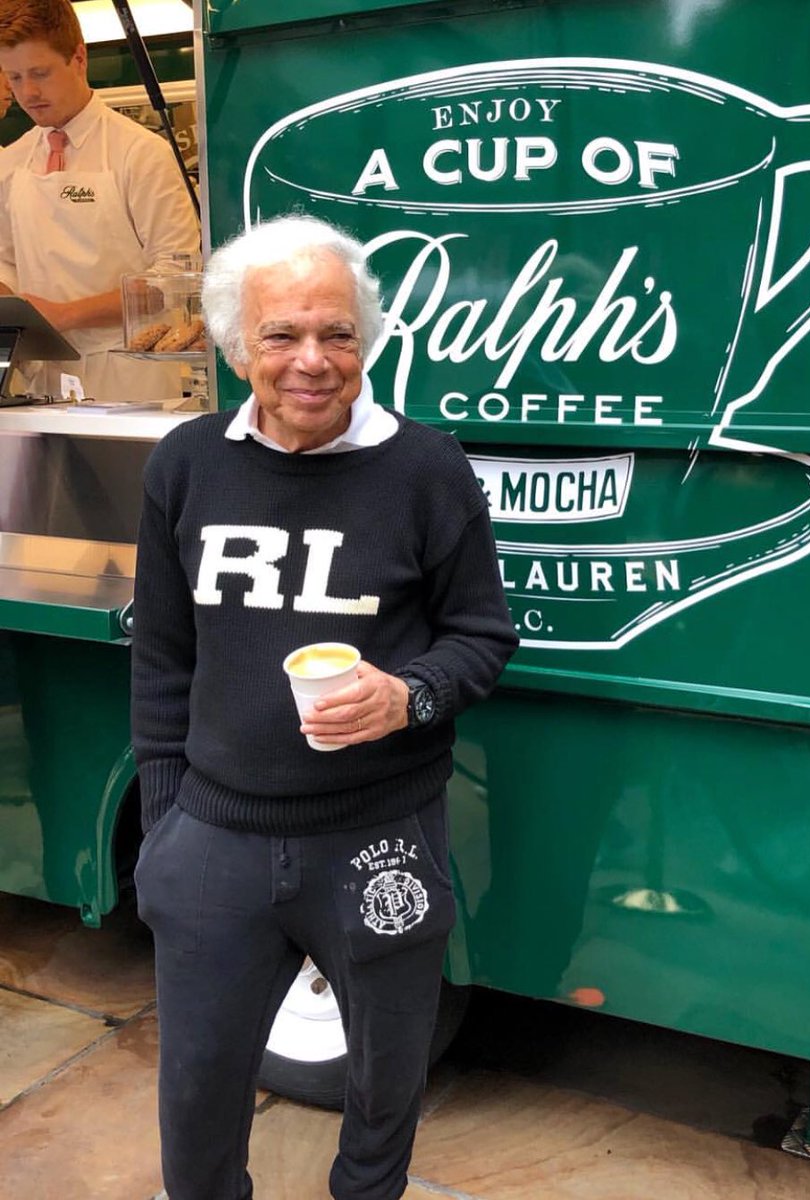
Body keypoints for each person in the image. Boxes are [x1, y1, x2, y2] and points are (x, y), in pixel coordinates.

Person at [130, 213, 519, 1200]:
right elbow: (164, 658)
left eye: (336, 334)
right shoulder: (185, 466)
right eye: (282, 335)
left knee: (387, 1084)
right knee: (197, 1093)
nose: (312, 360)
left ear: (367, 341)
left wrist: (410, 693)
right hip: (215, 835)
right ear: (234, 345)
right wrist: (165, 830)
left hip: (378, 833)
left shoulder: (425, 470)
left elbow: (482, 636)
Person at [0, 0, 199, 402]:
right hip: (42, 383)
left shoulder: (140, 153)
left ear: (79, 57)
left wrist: (63, 315)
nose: (28, 92)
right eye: (14, 77)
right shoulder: (11, 161)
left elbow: (174, 277)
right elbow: (7, 259)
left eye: (40, 73)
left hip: (131, 379)